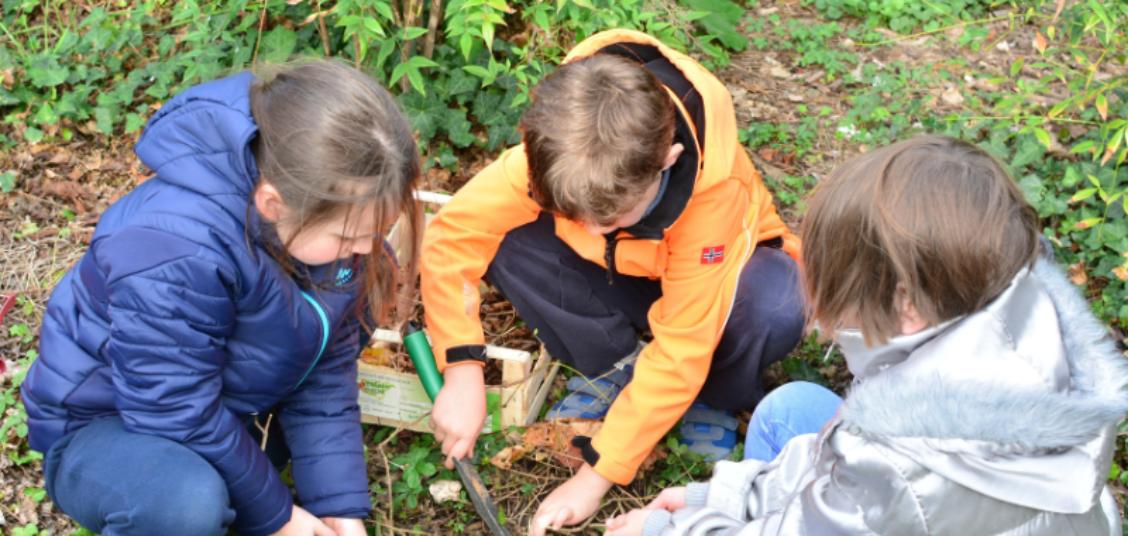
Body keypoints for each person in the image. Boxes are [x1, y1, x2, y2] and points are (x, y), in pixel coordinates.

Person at [606, 135, 1128, 535]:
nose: (824, 312)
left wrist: (666, 528)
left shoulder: (897, 459)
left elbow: (860, 494)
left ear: (908, 305)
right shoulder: (1023, 317)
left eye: (839, 292)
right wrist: (721, 498)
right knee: (793, 411)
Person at [418, 29, 805, 534]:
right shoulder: (567, 147)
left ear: (667, 160)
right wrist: (462, 368)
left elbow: (684, 345)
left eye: (612, 216)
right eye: (576, 216)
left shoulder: (713, 193)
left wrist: (596, 475)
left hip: (714, 287)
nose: (592, 228)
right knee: (505, 238)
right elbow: (455, 234)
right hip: (620, 273)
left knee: (775, 302)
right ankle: (614, 370)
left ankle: (715, 397)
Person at [21, 59, 422, 536]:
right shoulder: (172, 247)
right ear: (273, 203)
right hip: (111, 425)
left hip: (227, 408)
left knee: (238, 483)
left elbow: (323, 377)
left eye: (379, 231)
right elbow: (171, 405)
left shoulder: (337, 237)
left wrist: (340, 509)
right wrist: (280, 518)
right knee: (184, 505)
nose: (367, 249)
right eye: (347, 236)